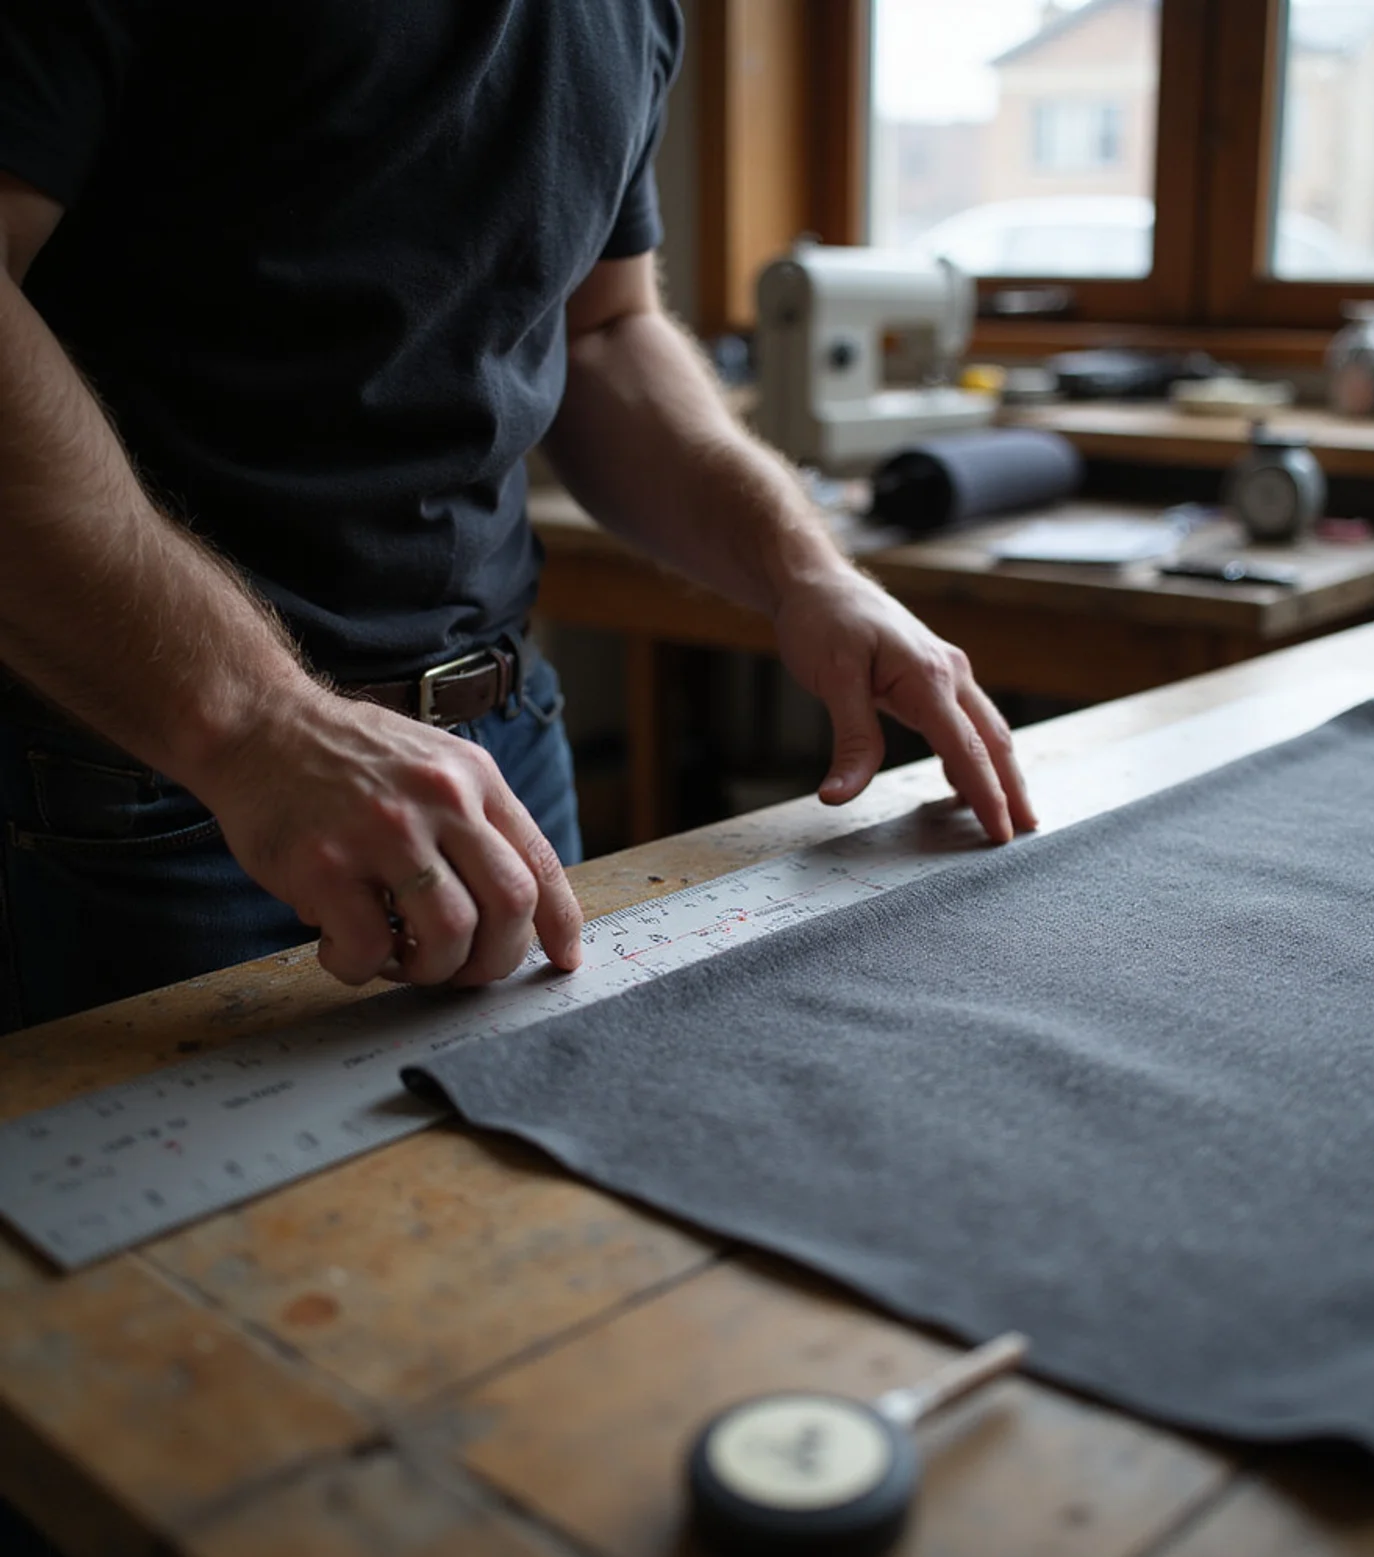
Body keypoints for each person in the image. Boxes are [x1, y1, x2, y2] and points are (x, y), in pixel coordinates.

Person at [0, 0, 1036, 1041]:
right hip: (149, 774)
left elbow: (606, 331)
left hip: (502, 748)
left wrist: (808, 570)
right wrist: (255, 722)